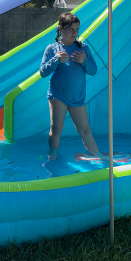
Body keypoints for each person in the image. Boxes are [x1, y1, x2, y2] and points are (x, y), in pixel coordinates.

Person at [39, 13, 101, 161]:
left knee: (85, 130)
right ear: (60, 28)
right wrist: (55, 60)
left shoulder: (83, 48)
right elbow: (42, 72)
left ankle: (97, 155)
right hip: (58, 95)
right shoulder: (52, 48)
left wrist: (84, 60)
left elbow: (93, 71)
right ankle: (53, 154)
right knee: (56, 129)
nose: (74, 33)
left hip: (77, 97)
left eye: (77, 29)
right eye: (70, 29)